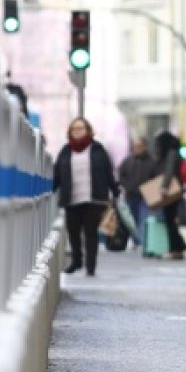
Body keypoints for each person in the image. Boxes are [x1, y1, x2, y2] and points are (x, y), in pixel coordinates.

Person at [52, 117, 120, 277]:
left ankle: (91, 266)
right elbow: (57, 173)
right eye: (74, 129)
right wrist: (50, 188)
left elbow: (107, 171)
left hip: (94, 198)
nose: (78, 131)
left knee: (90, 233)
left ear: (88, 130)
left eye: (81, 128)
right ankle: (77, 260)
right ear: (70, 132)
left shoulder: (97, 149)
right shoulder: (65, 150)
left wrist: (114, 189)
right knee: (73, 232)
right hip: (72, 198)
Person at [151, 129, 186, 259]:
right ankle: (178, 246)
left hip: (170, 190)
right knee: (170, 220)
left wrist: (164, 187)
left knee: (170, 220)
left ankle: (176, 247)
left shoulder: (171, 154)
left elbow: (169, 170)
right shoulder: (173, 152)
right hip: (173, 190)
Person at [118, 136, 155, 248]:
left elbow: (155, 177)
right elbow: (121, 175)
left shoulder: (152, 161)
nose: (137, 148)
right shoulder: (128, 160)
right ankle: (136, 240)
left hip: (145, 196)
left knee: (143, 218)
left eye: (140, 146)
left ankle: (141, 241)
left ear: (145, 147)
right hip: (131, 195)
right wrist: (126, 186)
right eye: (136, 146)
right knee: (131, 219)